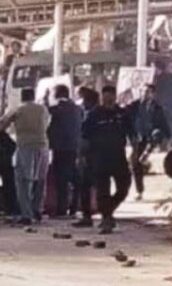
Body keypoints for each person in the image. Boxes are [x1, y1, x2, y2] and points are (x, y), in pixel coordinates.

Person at [80, 85, 135, 234]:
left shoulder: (122, 114)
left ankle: (108, 210)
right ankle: (106, 219)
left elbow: (132, 134)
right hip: (99, 158)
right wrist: (82, 156)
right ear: (102, 98)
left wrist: (135, 153)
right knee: (102, 190)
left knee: (124, 187)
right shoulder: (94, 115)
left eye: (111, 97)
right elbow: (84, 137)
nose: (108, 100)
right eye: (106, 97)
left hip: (118, 157)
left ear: (115, 97)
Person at [0, 87, 49, 225]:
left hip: (25, 146)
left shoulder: (18, 109)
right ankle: (37, 210)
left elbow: (0, 126)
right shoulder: (43, 109)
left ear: (22, 97)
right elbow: (47, 124)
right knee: (40, 180)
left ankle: (26, 214)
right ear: (33, 96)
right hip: (43, 146)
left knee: (23, 181)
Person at [125, 84, 171, 200]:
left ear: (152, 94)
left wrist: (169, 138)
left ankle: (146, 156)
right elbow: (125, 115)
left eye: (148, 92)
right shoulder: (134, 105)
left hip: (151, 138)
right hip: (138, 137)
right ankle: (139, 190)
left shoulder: (157, 108)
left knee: (140, 159)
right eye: (143, 91)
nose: (145, 94)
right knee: (135, 164)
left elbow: (163, 123)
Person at [47, 85, 83, 217]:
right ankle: (74, 205)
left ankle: (62, 209)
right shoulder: (78, 109)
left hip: (60, 147)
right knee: (73, 176)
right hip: (74, 146)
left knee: (61, 179)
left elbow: (48, 124)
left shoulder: (56, 109)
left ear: (56, 94)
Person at [72, 87, 99, 225]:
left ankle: (87, 216)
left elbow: (84, 138)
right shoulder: (99, 114)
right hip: (100, 154)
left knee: (85, 185)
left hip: (90, 155)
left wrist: (80, 155)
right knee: (99, 185)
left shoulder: (90, 116)